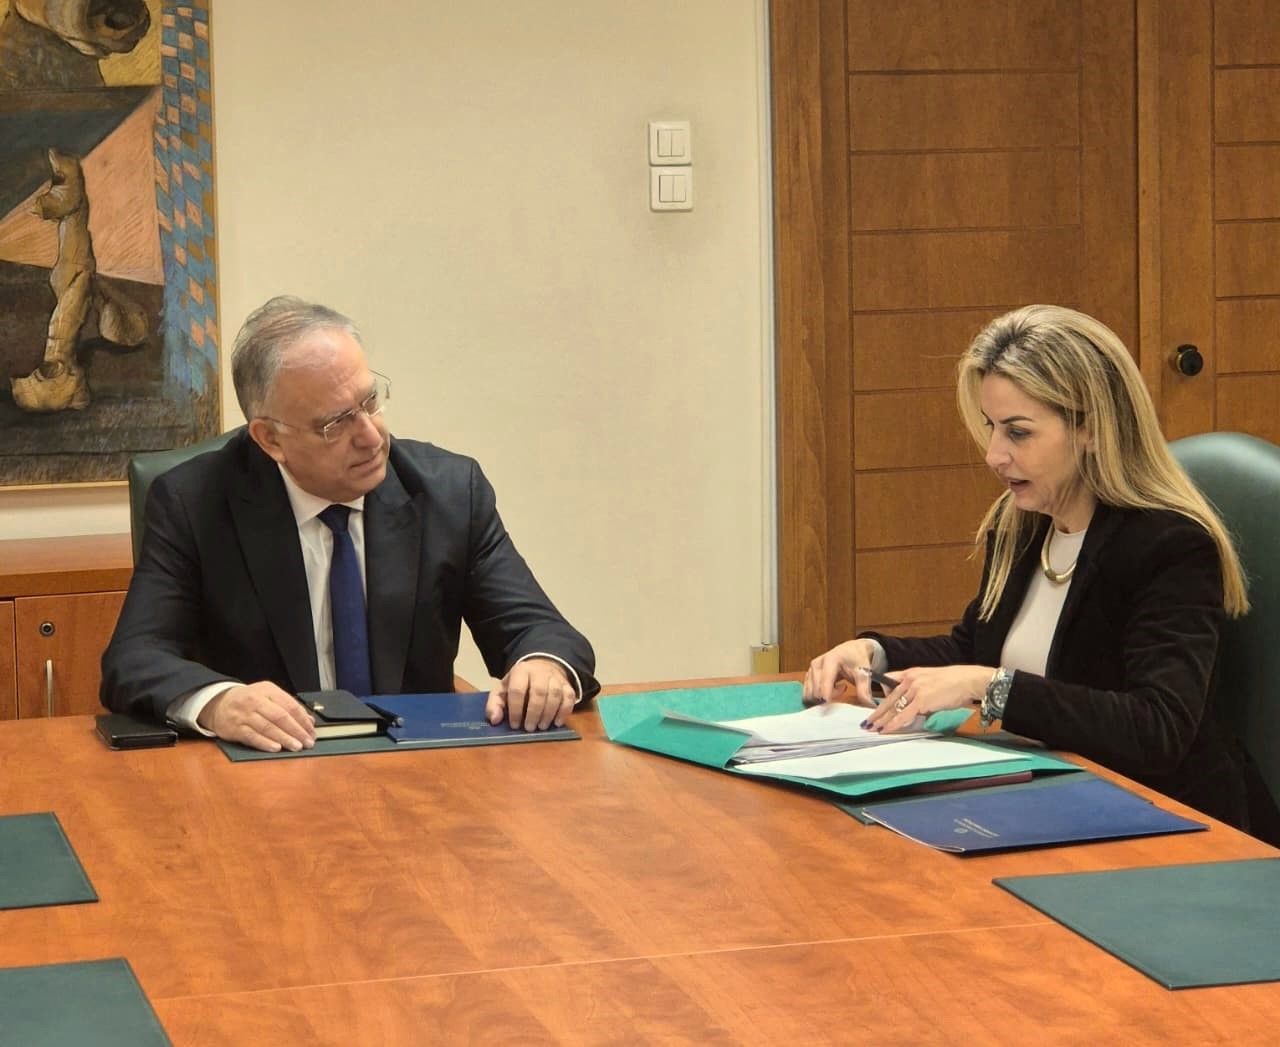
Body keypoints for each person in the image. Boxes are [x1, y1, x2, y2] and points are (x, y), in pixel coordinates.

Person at [803, 304, 1280, 839]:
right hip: (1052, 800)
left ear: (1091, 429)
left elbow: (1157, 728)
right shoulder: (1024, 524)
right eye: (992, 428)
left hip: (1168, 824)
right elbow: (978, 648)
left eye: (1018, 432)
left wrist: (989, 687)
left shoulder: (1169, 546)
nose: (994, 455)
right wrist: (874, 655)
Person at [101, 295, 598, 752]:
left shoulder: (448, 493)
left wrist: (542, 665)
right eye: (335, 423)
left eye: (370, 402)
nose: (371, 436)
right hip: (272, 773)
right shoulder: (194, 503)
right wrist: (217, 702)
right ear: (270, 439)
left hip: (418, 773)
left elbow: (542, 631)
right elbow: (134, 659)